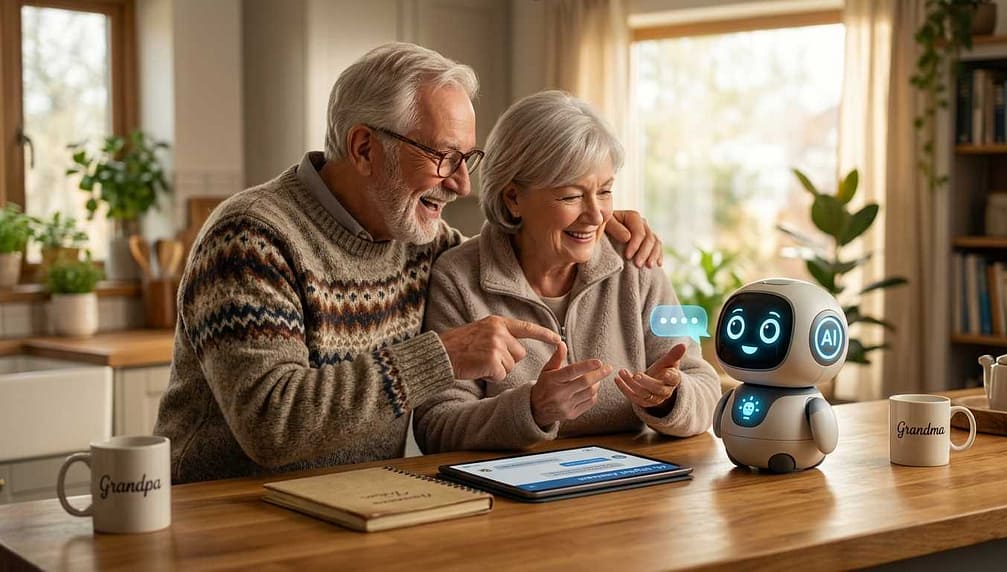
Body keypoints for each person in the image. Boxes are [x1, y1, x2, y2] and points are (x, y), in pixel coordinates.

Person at [153, 44, 663, 483]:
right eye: (444, 157)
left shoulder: (424, 242)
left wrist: (600, 223)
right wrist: (440, 357)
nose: (462, 183)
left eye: (468, 159)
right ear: (364, 148)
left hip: (361, 503)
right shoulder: (251, 238)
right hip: (225, 513)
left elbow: (507, 253)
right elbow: (273, 425)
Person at [414, 91, 720, 454]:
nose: (596, 215)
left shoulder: (637, 262)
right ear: (513, 198)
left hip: (632, 490)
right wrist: (532, 409)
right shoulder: (458, 278)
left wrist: (670, 397)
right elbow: (437, 424)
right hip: (513, 502)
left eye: (605, 191)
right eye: (572, 196)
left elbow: (703, 384)